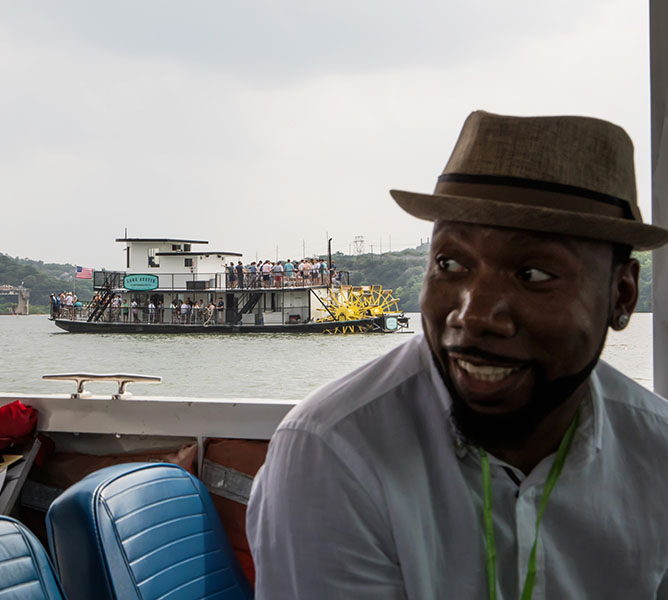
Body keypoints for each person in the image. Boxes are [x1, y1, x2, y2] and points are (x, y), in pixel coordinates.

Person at [247, 111, 668, 599]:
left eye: (533, 274)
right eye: (450, 263)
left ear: (622, 296)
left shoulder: (656, 453)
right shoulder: (334, 452)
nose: (473, 315)